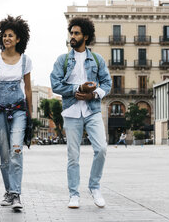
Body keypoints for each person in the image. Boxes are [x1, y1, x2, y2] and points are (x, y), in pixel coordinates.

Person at [50, 17, 112, 209]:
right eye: (71, 33)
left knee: (101, 149)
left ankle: (94, 187)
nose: (73, 36)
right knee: (73, 155)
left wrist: (92, 94)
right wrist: (78, 88)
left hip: (92, 110)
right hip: (71, 111)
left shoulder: (96, 59)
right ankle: (74, 194)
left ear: (85, 36)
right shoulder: (63, 59)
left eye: (77, 33)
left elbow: (107, 84)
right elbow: (55, 85)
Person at [0, 15, 33, 211]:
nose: (7, 38)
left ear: (18, 38)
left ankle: (16, 194)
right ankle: (9, 191)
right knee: (4, 155)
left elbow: (28, 89)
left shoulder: (25, 61)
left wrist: (31, 115)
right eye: (4, 35)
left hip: (19, 111)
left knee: (16, 150)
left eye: (11, 35)